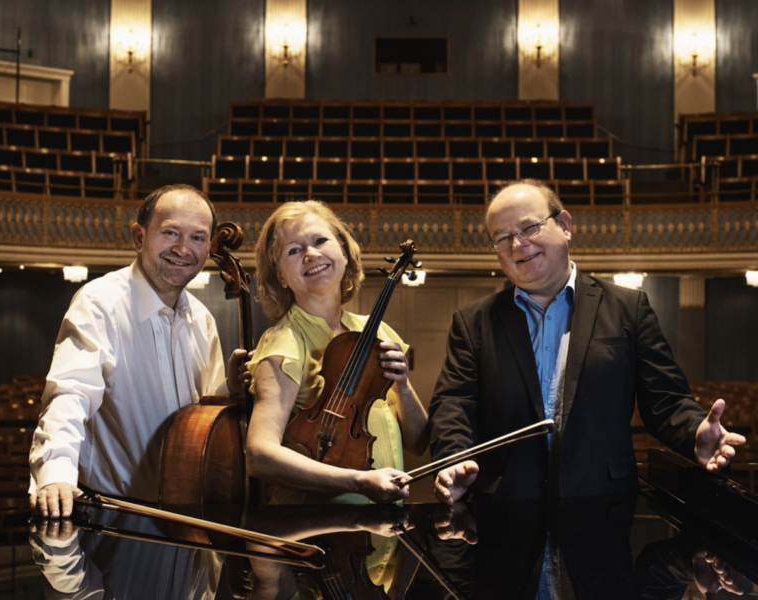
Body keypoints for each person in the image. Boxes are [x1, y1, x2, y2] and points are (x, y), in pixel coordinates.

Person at [429, 180, 746, 504]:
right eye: (502, 238)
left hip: (603, 505)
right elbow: (453, 405)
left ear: (564, 225)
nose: (517, 244)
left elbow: (666, 400)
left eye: (529, 228)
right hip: (505, 511)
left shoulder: (629, 309)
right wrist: (454, 457)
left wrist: (695, 433)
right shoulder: (471, 323)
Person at [29, 184, 250, 518]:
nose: (183, 248)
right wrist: (56, 474)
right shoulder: (99, 303)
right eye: (171, 232)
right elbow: (70, 394)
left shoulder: (203, 320)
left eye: (198, 237)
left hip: (185, 514)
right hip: (115, 517)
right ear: (138, 236)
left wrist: (228, 389)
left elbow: (202, 412)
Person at [245, 200, 428, 504]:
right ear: (280, 276)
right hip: (319, 529)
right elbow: (260, 456)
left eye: (320, 240)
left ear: (343, 251)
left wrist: (404, 387)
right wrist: (358, 481)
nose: (311, 254)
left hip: (382, 528)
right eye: (294, 250)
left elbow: (419, 441)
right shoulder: (284, 343)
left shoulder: (375, 331)